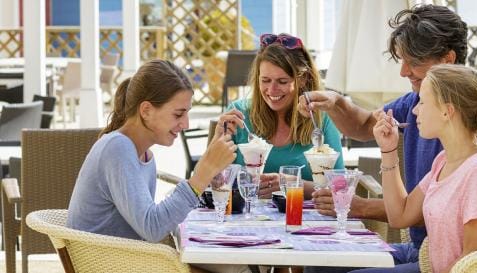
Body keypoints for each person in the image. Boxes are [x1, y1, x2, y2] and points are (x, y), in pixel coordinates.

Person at [300, 4, 477, 272]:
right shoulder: (437, 145)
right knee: (320, 263)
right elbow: (363, 124)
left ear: (447, 60)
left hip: (443, 261)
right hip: (423, 251)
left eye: (414, 62)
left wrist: (359, 206)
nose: (403, 71)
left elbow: (471, 259)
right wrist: (335, 103)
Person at [66, 59, 248, 273]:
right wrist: (203, 171)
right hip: (110, 265)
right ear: (146, 110)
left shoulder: (143, 155)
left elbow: (152, 223)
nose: (186, 124)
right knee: (237, 268)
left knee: (236, 265)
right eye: (178, 114)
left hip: (130, 260)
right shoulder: (117, 148)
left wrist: (211, 160)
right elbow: (153, 228)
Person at [357, 64, 477, 273]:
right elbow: (399, 216)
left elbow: (474, 262)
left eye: (422, 102)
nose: (414, 110)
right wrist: (388, 150)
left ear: (447, 112)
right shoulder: (444, 161)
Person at [219, 33, 345, 199]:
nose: (272, 90)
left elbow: (340, 186)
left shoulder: (322, 118)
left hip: (308, 220)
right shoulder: (239, 115)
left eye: (282, 81)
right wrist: (217, 140)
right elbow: (215, 180)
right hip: (248, 219)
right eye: (265, 80)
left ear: (302, 79)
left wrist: (294, 184)